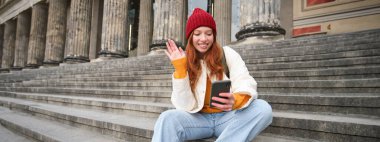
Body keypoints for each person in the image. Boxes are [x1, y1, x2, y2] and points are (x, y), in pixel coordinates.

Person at [152, 8, 272, 142]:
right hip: (198, 120)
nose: (203, 39)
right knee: (167, 118)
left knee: (263, 109)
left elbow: (245, 81)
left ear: (214, 36)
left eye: (208, 33)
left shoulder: (227, 53)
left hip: (228, 117)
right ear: (191, 37)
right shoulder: (184, 61)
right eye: (197, 34)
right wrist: (180, 69)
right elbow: (185, 106)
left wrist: (235, 100)